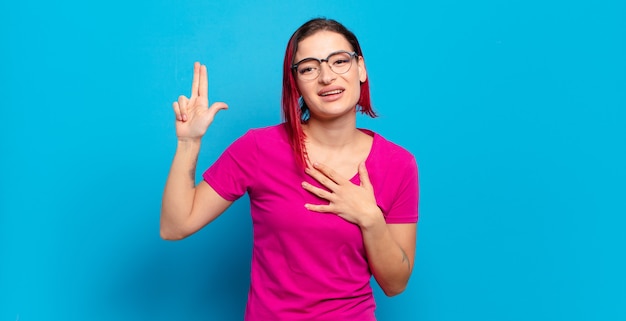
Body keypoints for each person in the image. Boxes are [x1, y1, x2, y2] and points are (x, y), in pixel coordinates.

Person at [161, 18, 419, 321]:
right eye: (309, 68)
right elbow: (175, 226)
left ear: (360, 69)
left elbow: (395, 283)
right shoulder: (258, 148)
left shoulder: (399, 164)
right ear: (294, 82)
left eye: (339, 61)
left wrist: (371, 219)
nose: (327, 77)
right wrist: (189, 143)